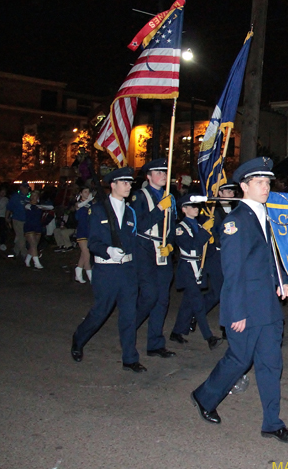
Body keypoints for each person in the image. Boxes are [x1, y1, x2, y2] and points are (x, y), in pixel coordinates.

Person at [190, 157, 288, 443]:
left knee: (271, 364)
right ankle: (204, 396)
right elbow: (233, 272)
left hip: (268, 306)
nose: (266, 187)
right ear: (244, 186)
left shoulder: (267, 216)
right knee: (239, 360)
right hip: (246, 307)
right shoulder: (235, 223)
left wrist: (282, 281)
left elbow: (272, 257)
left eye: (268, 182)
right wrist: (234, 313)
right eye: (260, 183)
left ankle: (272, 423)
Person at [71, 168, 145, 372]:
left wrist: (136, 272)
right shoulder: (97, 210)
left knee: (129, 316)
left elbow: (133, 243)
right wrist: (108, 250)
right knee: (100, 313)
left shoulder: (130, 212)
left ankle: (129, 358)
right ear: (113, 185)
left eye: (130, 183)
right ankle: (78, 339)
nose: (129, 186)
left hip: (128, 271)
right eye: (124, 183)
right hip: (107, 271)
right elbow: (92, 242)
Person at [131, 158, 177, 360]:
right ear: (149, 176)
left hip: (163, 249)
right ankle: (129, 327)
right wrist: (159, 209)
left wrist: (171, 245)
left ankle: (155, 343)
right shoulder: (140, 196)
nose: (163, 176)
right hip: (145, 248)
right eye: (158, 173)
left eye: (164, 172)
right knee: (149, 295)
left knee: (162, 299)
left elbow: (173, 225)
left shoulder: (170, 197)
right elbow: (138, 225)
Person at [169, 194, 223, 350]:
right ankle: (209, 337)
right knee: (198, 303)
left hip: (198, 266)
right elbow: (191, 246)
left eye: (197, 206)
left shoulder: (198, 225)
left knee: (188, 302)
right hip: (187, 268)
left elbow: (204, 248)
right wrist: (205, 233)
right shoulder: (180, 228)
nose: (196, 209)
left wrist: (211, 240)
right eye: (192, 206)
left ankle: (177, 331)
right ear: (184, 209)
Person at [23, 191, 53, 269]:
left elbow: (51, 207)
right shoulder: (27, 205)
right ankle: (37, 263)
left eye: (36, 196)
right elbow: (28, 207)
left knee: (34, 245)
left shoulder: (39, 205)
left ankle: (27, 260)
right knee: (33, 244)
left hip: (37, 227)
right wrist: (37, 206)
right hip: (29, 226)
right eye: (32, 195)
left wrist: (40, 206)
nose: (34, 197)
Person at [73, 186, 94, 283]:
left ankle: (78, 272)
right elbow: (79, 206)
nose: (87, 193)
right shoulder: (78, 203)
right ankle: (91, 277)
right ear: (81, 193)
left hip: (90, 231)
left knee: (84, 254)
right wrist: (88, 200)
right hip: (82, 231)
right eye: (85, 192)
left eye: (88, 192)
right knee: (87, 254)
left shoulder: (91, 204)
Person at [7, 182, 30, 257]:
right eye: (25, 187)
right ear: (21, 188)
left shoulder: (28, 197)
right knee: (21, 237)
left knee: (22, 236)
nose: (26, 189)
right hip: (17, 219)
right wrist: (6, 217)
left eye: (27, 188)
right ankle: (25, 254)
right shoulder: (16, 197)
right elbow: (9, 208)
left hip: (26, 220)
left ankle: (15, 251)